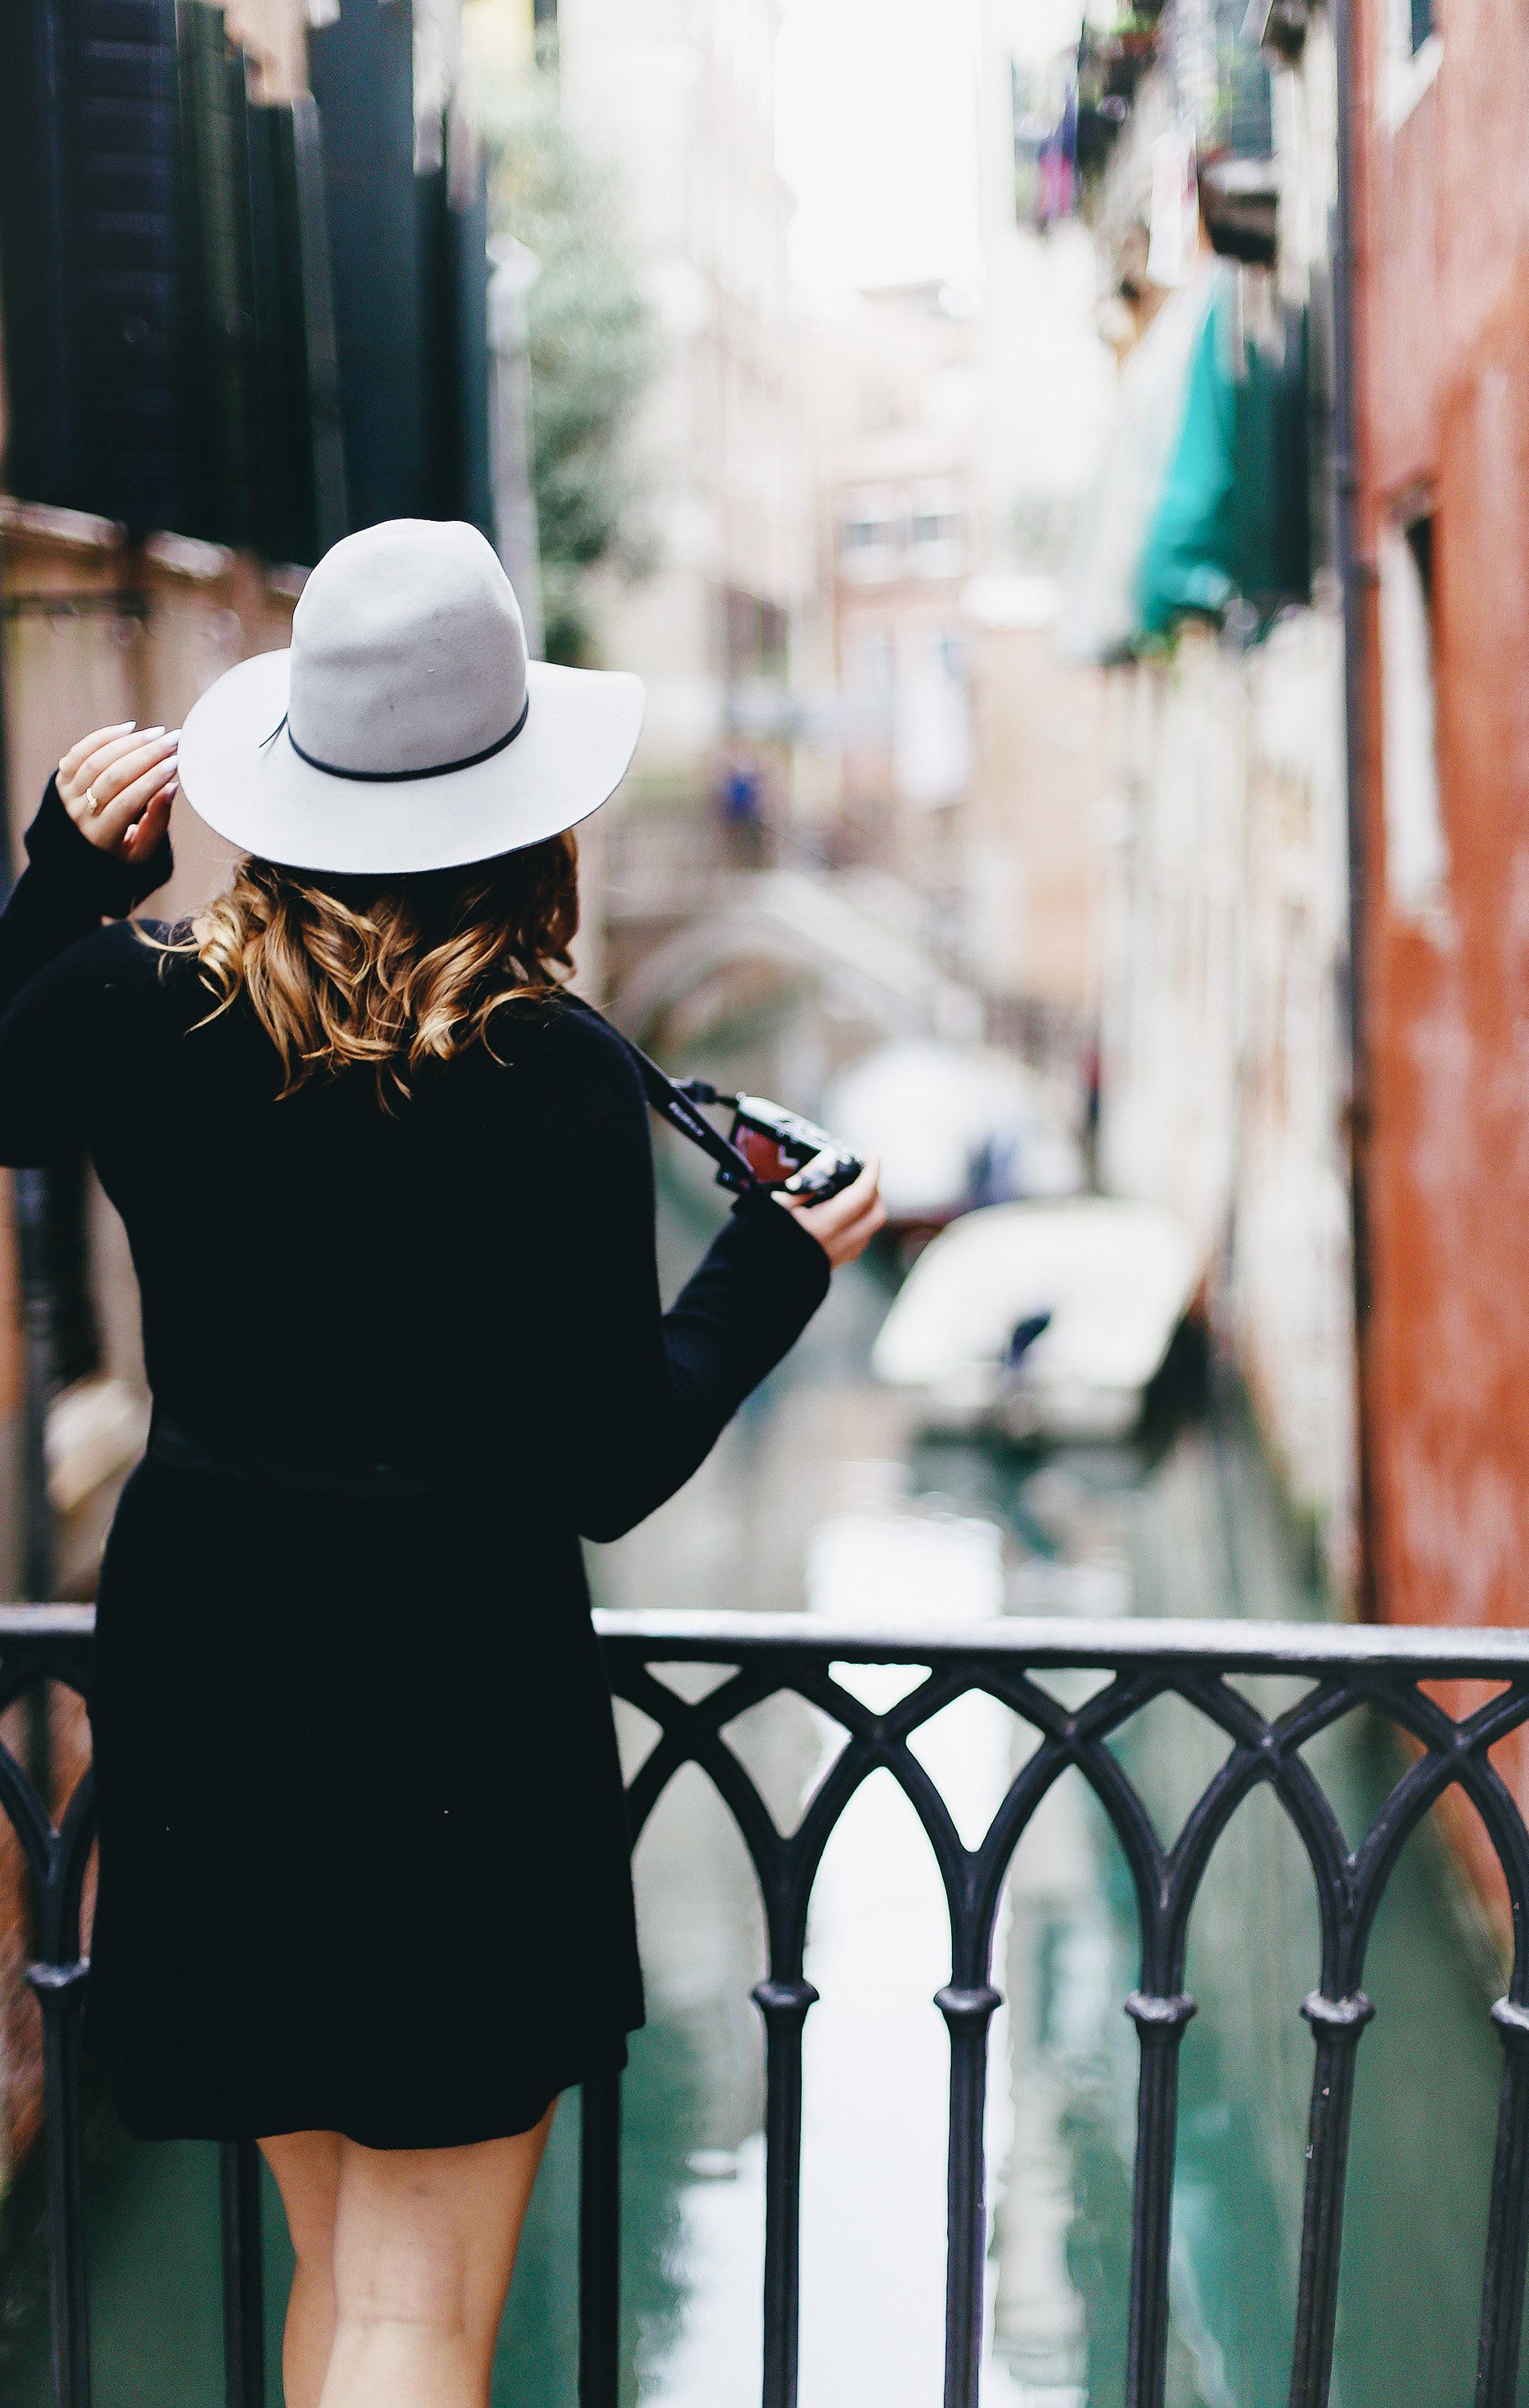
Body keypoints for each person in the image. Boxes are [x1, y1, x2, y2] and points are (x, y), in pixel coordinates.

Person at [0, 519, 884, 2408]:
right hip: (449, 1696)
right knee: (412, 2307)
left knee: (343, 2273)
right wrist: (773, 1266)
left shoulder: (132, 1004)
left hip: (206, 1650)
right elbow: (608, 1461)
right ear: (520, 810)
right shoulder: (545, 1068)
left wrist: (67, 873)